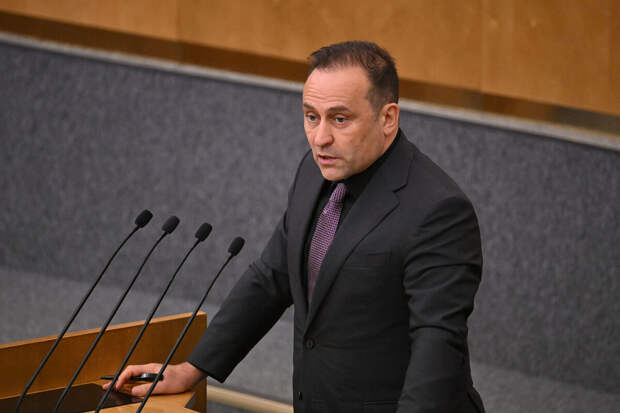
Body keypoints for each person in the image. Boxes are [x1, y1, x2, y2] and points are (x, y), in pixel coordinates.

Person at [106, 41, 485, 413]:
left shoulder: (438, 211)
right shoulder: (314, 170)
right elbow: (273, 277)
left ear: (388, 118)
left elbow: (437, 343)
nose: (320, 138)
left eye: (340, 119)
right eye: (311, 116)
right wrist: (191, 368)